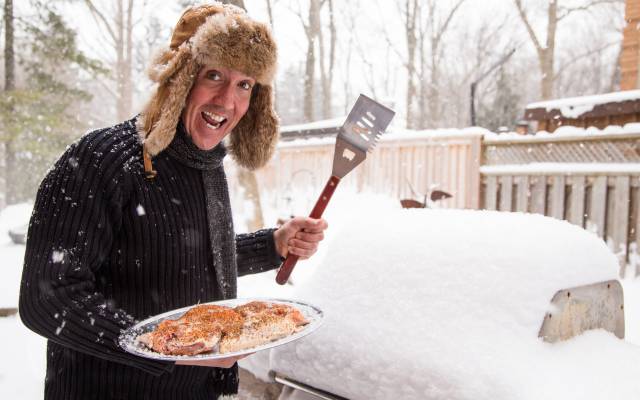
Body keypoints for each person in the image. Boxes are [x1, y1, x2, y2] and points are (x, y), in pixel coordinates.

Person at [19, 3, 328, 400]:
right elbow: (48, 297)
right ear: (179, 77)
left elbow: (177, 257)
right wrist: (160, 346)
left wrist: (272, 245)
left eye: (244, 84)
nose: (227, 100)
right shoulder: (100, 160)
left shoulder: (206, 166)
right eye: (213, 75)